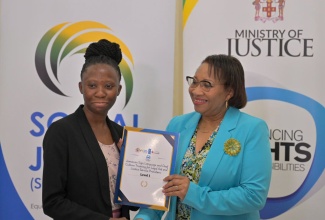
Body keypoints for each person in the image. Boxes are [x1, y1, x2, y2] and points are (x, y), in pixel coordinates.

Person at [134, 54, 272, 220]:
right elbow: (162, 186)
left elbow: (253, 196)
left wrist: (194, 194)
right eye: (194, 81)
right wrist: (144, 217)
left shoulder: (252, 129)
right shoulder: (177, 124)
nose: (196, 90)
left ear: (229, 92)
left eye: (207, 85)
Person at [42, 39, 138, 220]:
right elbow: (52, 202)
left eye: (108, 86)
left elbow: (130, 202)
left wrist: (139, 170)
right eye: (92, 85)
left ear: (118, 89)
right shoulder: (61, 132)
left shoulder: (121, 134)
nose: (100, 93)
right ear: (81, 87)